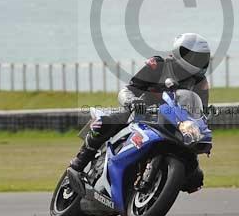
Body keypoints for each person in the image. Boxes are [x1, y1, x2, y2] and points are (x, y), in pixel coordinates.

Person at [68, 33, 212, 180]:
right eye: (193, 57)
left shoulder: (201, 82)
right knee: (105, 121)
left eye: (201, 58)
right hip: (142, 111)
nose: (197, 62)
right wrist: (132, 102)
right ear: (179, 51)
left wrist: (202, 125)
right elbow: (129, 89)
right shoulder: (158, 65)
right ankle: (79, 162)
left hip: (174, 123)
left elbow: (200, 112)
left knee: (195, 176)